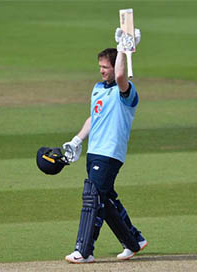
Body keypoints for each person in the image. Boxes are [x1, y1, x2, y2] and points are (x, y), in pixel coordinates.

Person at [63, 27, 147, 264]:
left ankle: (84, 250)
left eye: (105, 67)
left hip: (110, 153)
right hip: (94, 152)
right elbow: (94, 118)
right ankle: (134, 241)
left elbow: (121, 76)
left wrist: (123, 48)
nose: (101, 71)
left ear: (116, 66)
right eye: (99, 67)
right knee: (105, 199)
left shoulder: (127, 94)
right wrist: (78, 139)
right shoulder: (98, 89)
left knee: (92, 197)